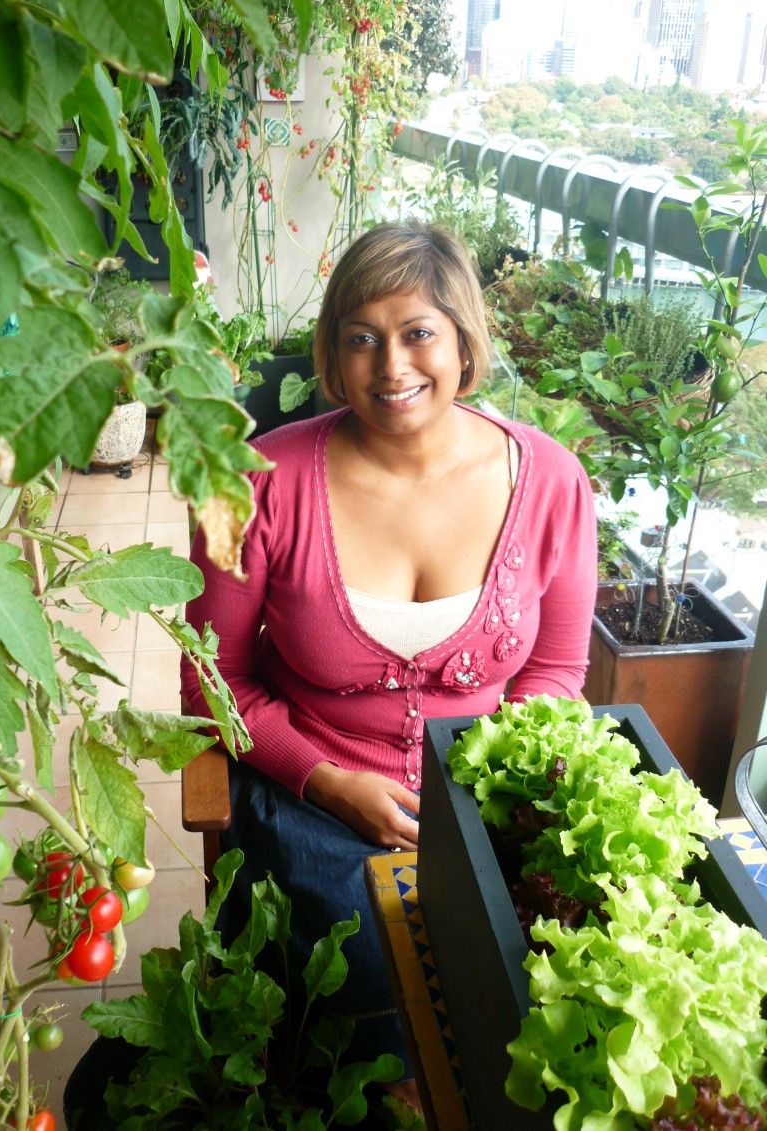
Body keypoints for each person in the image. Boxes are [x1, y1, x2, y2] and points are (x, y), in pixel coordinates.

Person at [180, 221, 598, 1107]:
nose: (391, 364)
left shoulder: (552, 481)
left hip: (486, 808)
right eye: (360, 337)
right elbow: (210, 678)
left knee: (532, 1012)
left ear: (462, 342)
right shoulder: (258, 481)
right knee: (376, 1028)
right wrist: (331, 783)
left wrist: (486, 794)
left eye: (418, 333)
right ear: (333, 352)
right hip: (313, 803)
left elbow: (557, 669)